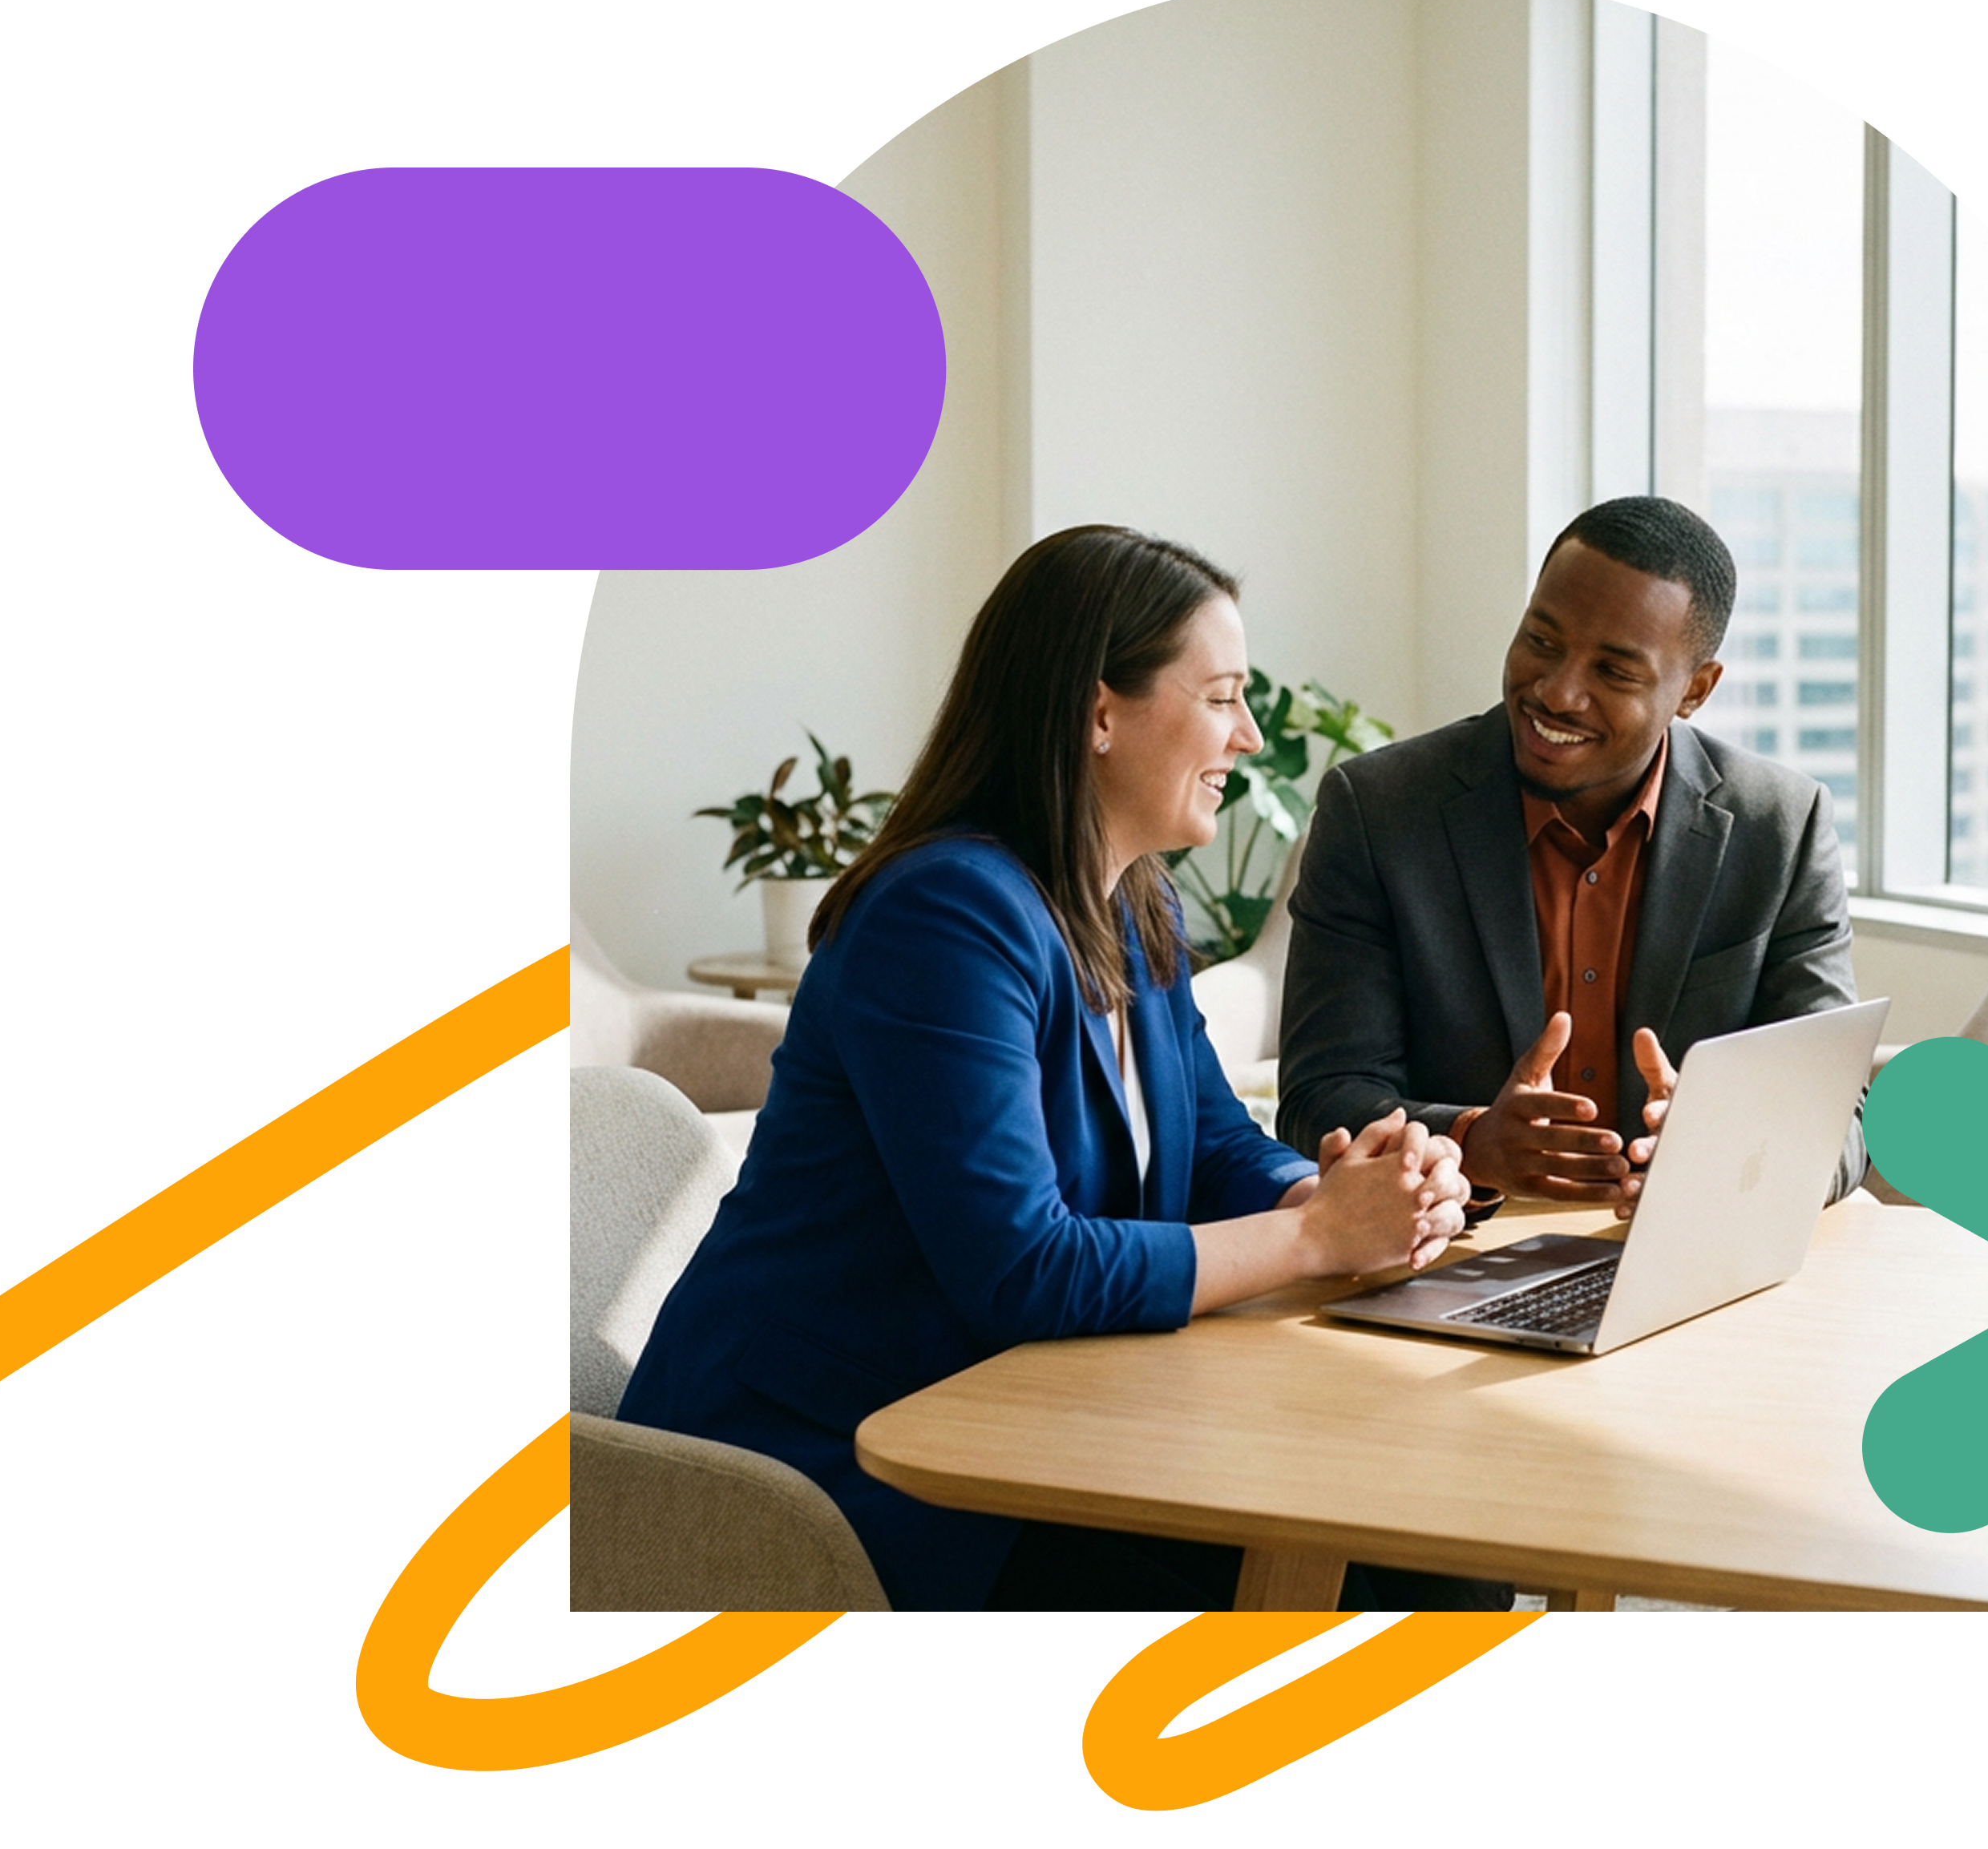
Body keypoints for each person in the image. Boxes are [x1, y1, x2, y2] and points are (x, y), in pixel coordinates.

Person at [616, 525, 1473, 1613]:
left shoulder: (1134, 897)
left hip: (1022, 1428)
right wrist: (1314, 1239)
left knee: (1424, 1556)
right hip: (824, 1465)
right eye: (1220, 698)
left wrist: (1329, 1190)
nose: (1251, 736)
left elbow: (1210, 1139)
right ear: (1100, 713)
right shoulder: (944, 915)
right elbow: (1020, 1269)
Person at [1278, 495, 1865, 1217]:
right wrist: (1471, 1140)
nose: (1556, 692)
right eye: (1543, 641)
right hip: (1451, 1247)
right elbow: (1321, 1091)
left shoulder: (1780, 826)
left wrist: (1731, 1154)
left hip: (1691, 1246)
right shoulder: (1379, 812)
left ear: (1696, 691)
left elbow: (1838, 1113)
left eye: (1615, 672)